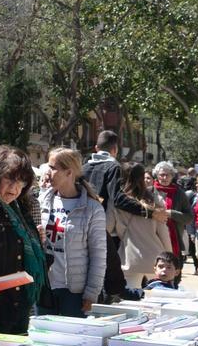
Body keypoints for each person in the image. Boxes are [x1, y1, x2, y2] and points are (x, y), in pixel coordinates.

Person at [0, 147, 46, 335]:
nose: (16, 188)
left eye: (22, 181)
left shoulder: (20, 210)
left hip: (20, 312)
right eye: (10, 179)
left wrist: (39, 244)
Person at [37, 147, 105, 318]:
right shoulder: (42, 201)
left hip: (75, 292)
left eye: (53, 168)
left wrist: (92, 292)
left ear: (69, 172)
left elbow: (98, 254)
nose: (47, 172)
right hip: (45, 287)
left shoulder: (92, 208)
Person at [81, 130, 127, 296]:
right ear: (115, 149)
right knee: (105, 267)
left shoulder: (83, 168)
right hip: (104, 227)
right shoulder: (114, 166)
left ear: (95, 148)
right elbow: (117, 198)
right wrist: (148, 212)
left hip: (81, 224)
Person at [114, 163, 170, 290]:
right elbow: (163, 232)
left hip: (130, 256)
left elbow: (109, 227)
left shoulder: (118, 202)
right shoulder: (155, 200)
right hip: (155, 256)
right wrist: (169, 254)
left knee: (130, 297)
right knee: (159, 295)